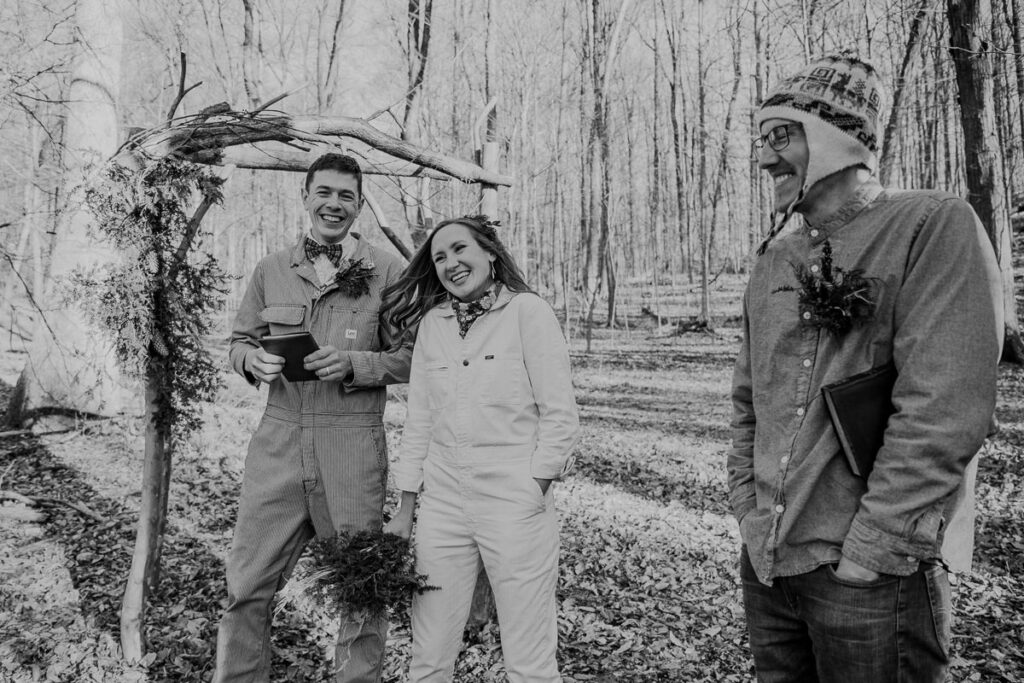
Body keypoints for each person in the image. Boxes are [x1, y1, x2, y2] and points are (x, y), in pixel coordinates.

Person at [728, 55, 1003, 682]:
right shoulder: (774, 258)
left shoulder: (931, 225)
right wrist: (748, 510)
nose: (764, 159)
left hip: (871, 581)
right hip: (769, 568)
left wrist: (870, 553)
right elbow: (750, 399)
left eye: (781, 136)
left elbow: (945, 406)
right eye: (761, 140)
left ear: (837, 138)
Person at [215, 153, 412, 683]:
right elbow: (238, 340)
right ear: (305, 197)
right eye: (324, 192)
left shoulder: (388, 271)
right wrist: (250, 360)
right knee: (246, 584)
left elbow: (412, 356)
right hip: (278, 439)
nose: (334, 204)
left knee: (361, 587)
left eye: (346, 195)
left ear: (359, 204)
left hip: (351, 446)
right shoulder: (272, 269)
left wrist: (355, 363)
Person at [381, 215, 579, 683]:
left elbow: (560, 414)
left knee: (529, 661)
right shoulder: (434, 324)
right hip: (443, 506)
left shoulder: (528, 313)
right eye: (439, 257)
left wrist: (535, 488)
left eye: (459, 250)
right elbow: (421, 419)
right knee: (428, 655)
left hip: (514, 502)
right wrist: (406, 506)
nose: (450, 263)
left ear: (489, 252)